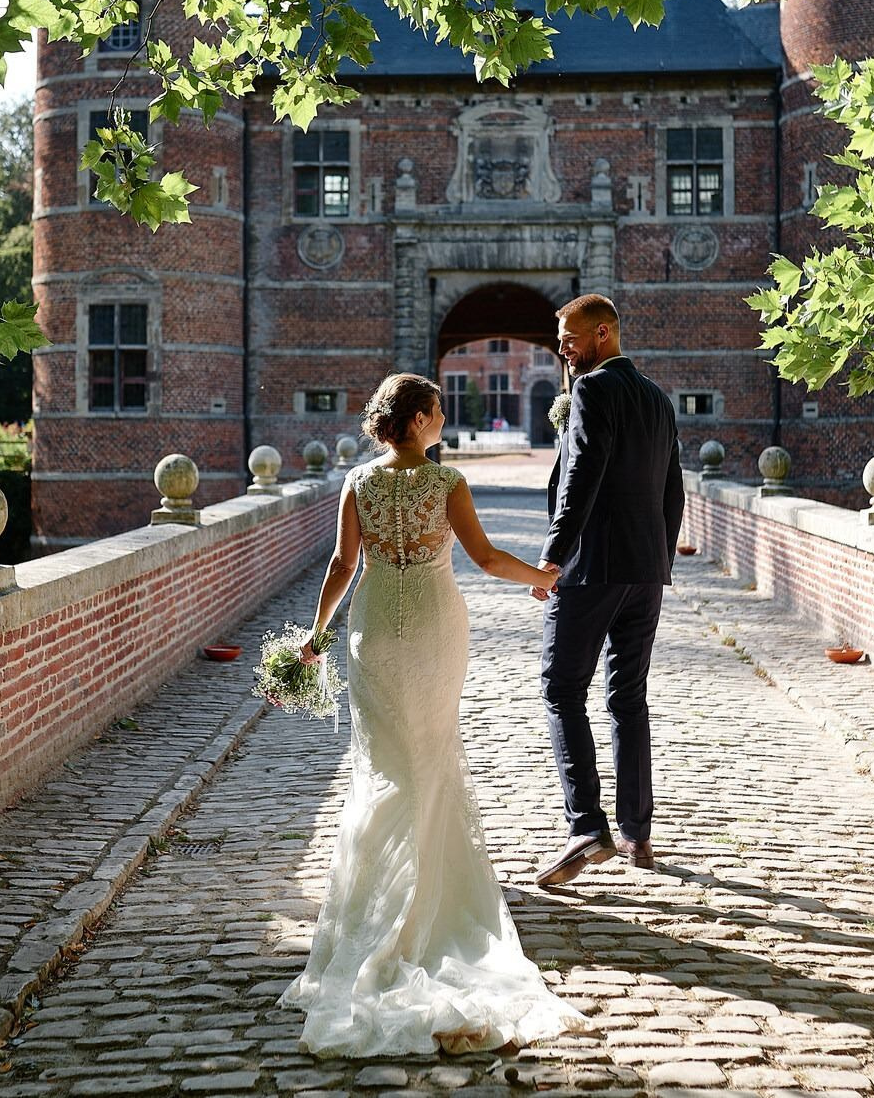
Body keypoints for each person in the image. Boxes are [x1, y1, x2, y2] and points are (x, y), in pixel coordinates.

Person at [280, 372, 586, 1057]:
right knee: (430, 758)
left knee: (387, 765)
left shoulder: (359, 483)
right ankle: (429, 911)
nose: (446, 414)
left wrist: (316, 632)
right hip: (434, 626)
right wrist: (543, 578)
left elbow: (341, 564)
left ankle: (376, 913)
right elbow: (481, 557)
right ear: (418, 419)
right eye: (439, 407)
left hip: (372, 634)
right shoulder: (446, 485)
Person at [533, 295, 684, 886]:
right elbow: (672, 489)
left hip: (591, 567)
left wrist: (553, 553)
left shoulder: (594, 389)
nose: (563, 349)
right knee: (628, 697)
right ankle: (637, 834)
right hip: (645, 572)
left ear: (602, 334)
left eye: (569, 338)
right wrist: (660, 557)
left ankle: (586, 828)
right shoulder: (657, 397)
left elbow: (583, 473)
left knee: (561, 687)